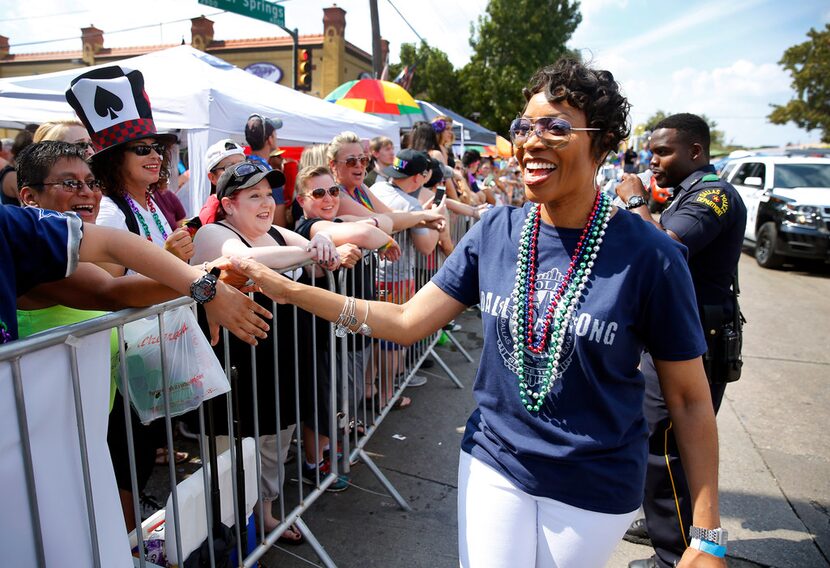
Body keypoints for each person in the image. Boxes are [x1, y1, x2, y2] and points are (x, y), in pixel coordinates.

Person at [229, 58, 726, 568]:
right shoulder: (496, 233)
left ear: (600, 144)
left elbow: (688, 399)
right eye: (524, 127)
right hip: (495, 459)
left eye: (556, 127)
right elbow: (406, 323)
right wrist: (288, 291)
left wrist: (706, 532)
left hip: (594, 481)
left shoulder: (652, 257)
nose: (532, 141)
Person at [615, 113, 746, 568]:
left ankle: (674, 555)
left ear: (696, 151)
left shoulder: (714, 195)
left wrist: (635, 204)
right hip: (683, 333)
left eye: (663, 151)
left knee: (665, 445)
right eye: (652, 151)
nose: (653, 160)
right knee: (664, 439)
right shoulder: (686, 193)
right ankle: (663, 524)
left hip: (698, 340)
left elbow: (664, 249)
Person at [191, 159, 343, 541]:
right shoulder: (211, 233)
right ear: (227, 204)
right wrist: (312, 251)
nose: (266, 202)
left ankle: (268, 514)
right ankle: (234, 530)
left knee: (277, 438)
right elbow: (244, 261)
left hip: (278, 360)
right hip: (235, 362)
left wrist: (320, 242)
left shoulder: (276, 231)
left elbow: (310, 246)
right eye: (253, 195)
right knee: (235, 448)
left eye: (269, 194)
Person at [244, 113, 287, 227]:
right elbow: (279, 222)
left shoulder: (241, 166)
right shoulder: (270, 174)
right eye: (275, 133)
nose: (276, 137)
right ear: (270, 139)